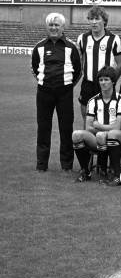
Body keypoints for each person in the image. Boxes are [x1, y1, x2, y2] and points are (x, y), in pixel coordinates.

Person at [32, 12, 81, 173]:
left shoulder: (71, 47)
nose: (53, 28)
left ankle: (66, 165)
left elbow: (78, 71)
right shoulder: (39, 47)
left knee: (66, 128)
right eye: (51, 25)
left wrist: (66, 85)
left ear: (63, 27)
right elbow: (34, 69)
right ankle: (41, 165)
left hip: (64, 93)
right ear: (47, 27)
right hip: (44, 92)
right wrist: (45, 82)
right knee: (43, 128)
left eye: (57, 25)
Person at [72, 66, 121, 183]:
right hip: (97, 137)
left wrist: (99, 126)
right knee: (76, 135)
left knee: (101, 135)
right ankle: (85, 171)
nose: (103, 83)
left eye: (106, 80)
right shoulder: (93, 101)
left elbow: (118, 127)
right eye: (101, 80)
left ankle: (103, 171)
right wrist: (100, 129)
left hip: (115, 138)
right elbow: (88, 127)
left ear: (113, 82)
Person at [76, 6, 121, 124]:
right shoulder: (82, 38)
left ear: (104, 21)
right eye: (91, 19)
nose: (93, 22)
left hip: (105, 84)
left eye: (97, 19)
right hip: (87, 84)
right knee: (87, 118)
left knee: (106, 118)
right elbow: (79, 62)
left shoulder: (114, 39)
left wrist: (112, 81)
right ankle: (88, 140)